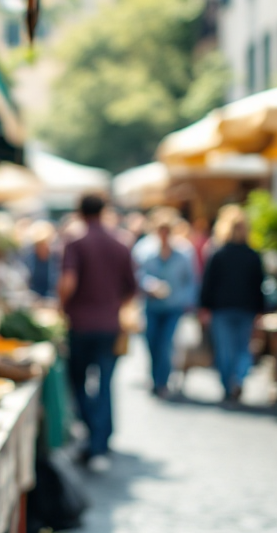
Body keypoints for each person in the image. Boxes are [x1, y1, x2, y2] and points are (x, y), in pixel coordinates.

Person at [58, 194, 137, 472]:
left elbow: (68, 281)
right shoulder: (120, 244)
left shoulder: (76, 243)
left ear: (79, 212)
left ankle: (94, 434)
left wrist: (61, 305)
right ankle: (100, 440)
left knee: (78, 381)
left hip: (80, 324)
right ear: (104, 211)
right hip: (109, 325)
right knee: (105, 383)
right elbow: (132, 289)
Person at [199, 205, 265, 406]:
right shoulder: (252, 255)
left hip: (223, 308)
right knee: (242, 348)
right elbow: (259, 286)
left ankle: (229, 383)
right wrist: (260, 310)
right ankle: (238, 377)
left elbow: (208, 283)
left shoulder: (218, 253)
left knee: (225, 349)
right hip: (245, 308)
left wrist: (204, 307)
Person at [133, 210, 197, 398]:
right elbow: (136, 275)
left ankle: (162, 381)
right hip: (151, 306)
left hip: (173, 306)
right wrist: (149, 285)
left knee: (166, 343)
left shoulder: (184, 252)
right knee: (152, 342)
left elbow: (191, 280)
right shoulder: (144, 250)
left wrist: (187, 301)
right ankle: (154, 378)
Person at [23, 221, 59, 299]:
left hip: (51, 299)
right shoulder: (28, 259)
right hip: (33, 298)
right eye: (39, 244)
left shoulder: (56, 259)